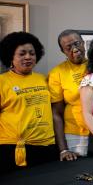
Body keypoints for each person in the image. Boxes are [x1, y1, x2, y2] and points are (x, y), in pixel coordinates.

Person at [0, 32, 56, 173]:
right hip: (11, 149)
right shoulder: (2, 82)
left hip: (46, 145)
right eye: (22, 53)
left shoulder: (43, 79)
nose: (28, 57)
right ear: (11, 57)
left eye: (32, 53)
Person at [48, 29, 89, 161]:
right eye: (68, 47)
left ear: (83, 43)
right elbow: (56, 113)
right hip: (75, 134)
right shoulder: (57, 73)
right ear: (63, 51)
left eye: (77, 43)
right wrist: (63, 149)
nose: (75, 49)